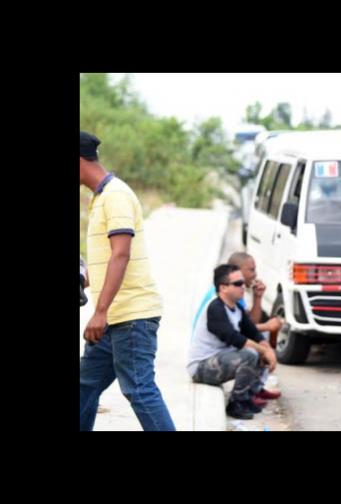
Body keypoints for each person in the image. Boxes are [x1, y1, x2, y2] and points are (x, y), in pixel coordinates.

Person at [78, 131, 175, 431]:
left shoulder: (116, 196)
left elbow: (121, 254)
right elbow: (108, 260)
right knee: (85, 385)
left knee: (139, 390)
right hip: (115, 318)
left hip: (131, 316)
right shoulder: (102, 197)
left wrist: (100, 311)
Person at [187, 264, 278, 419]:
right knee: (250, 354)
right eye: (237, 284)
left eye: (243, 283)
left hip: (220, 359)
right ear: (223, 288)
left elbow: (253, 332)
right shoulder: (215, 308)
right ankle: (236, 403)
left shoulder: (236, 308)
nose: (243, 287)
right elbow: (234, 338)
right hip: (201, 367)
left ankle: (249, 395)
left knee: (259, 348)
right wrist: (264, 351)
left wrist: (267, 348)